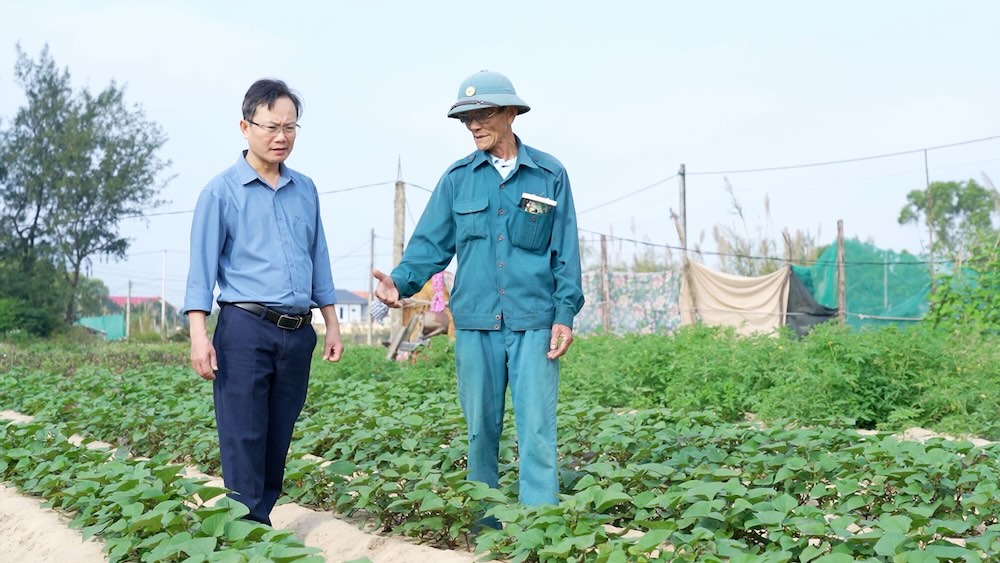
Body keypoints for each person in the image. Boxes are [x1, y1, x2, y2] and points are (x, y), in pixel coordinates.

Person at [373, 70, 584, 511]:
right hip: (475, 323)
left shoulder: (549, 174)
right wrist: (400, 281)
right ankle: (485, 529)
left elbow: (565, 252)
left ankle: (538, 530)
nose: (474, 125)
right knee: (480, 431)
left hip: (534, 322)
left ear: (511, 113)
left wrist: (565, 313)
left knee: (537, 429)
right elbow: (430, 246)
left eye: (483, 114)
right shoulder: (457, 179)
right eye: (466, 118)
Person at [182, 78, 344, 525]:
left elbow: (320, 258)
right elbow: (201, 271)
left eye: (291, 127)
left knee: (276, 437)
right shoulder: (221, 192)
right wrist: (199, 336)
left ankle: (256, 519)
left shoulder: (305, 189)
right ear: (245, 126)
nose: (282, 137)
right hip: (245, 328)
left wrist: (330, 323)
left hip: (297, 333)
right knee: (243, 436)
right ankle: (251, 533)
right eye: (272, 126)